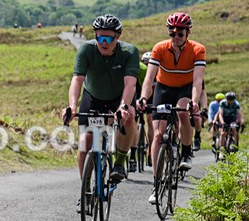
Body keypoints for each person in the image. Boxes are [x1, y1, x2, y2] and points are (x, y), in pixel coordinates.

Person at [64, 15, 139, 210]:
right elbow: (77, 80)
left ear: (118, 37)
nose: (103, 43)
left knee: (129, 115)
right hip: (93, 97)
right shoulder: (86, 50)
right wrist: (72, 106)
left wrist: (122, 106)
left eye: (108, 39)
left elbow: (130, 83)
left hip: (118, 98)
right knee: (85, 143)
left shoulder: (129, 52)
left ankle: (120, 163)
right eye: (99, 38)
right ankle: (86, 190)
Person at [138, 12, 206, 204]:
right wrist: (144, 97)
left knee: (183, 112)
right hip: (163, 87)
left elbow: (197, 81)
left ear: (188, 33)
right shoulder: (159, 48)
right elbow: (149, 78)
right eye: (172, 33)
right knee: (158, 135)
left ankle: (185, 152)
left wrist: (194, 101)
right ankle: (156, 182)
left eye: (180, 33)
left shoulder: (198, 49)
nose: (176, 37)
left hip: (185, 88)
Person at [129, 51, 152, 172]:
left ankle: (136, 155)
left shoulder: (143, 70)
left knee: (145, 121)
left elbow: (146, 88)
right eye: (145, 63)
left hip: (141, 95)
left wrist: (143, 100)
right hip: (127, 95)